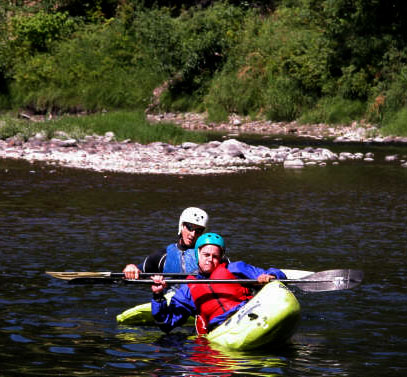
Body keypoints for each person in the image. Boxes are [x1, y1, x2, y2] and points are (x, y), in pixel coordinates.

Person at [151, 232, 287, 334]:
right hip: (221, 329)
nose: (210, 259)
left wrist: (270, 276)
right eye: (206, 255)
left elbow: (276, 273)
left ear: (221, 257)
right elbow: (166, 323)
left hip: (248, 315)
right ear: (198, 255)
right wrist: (158, 296)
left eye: (215, 256)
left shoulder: (235, 269)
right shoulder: (187, 290)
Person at [123, 207, 209, 279]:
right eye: (189, 227)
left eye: (198, 230)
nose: (193, 234)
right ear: (181, 226)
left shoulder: (210, 256)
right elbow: (138, 271)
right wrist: (131, 268)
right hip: (169, 298)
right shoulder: (162, 256)